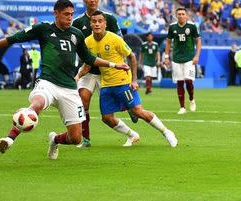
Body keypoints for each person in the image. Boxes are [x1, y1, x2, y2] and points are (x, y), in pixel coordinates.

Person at [0, 0, 129, 160]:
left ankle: (54, 140)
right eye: (66, 14)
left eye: (71, 14)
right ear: (56, 13)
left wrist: (114, 65)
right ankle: (9, 138)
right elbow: (11, 39)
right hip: (48, 82)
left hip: (70, 88)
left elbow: (89, 58)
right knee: (37, 104)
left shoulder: (76, 34)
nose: (70, 18)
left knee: (76, 138)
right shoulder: (43, 29)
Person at [75, 10, 177, 147]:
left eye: (100, 21)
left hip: (123, 82)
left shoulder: (115, 39)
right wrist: (77, 76)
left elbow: (132, 56)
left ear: (105, 24)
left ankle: (167, 132)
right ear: (90, 24)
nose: (97, 24)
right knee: (106, 118)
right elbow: (88, 65)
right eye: (94, 21)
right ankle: (132, 135)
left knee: (138, 111)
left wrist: (134, 80)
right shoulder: (87, 42)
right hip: (106, 84)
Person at [72, 0, 137, 148]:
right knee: (83, 100)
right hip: (88, 69)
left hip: (108, 72)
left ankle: (128, 110)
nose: (92, 0)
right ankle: (85, 139)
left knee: (110, 112)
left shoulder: (110, 19)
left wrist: (125, 71)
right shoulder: (78, 23)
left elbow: (121, 45)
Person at [164, 7, 201, 115]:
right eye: (179, 14)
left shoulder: (192, 26)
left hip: (189, 58)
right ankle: (182, 107)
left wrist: (197, 56)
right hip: (176, 58)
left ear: (186, 15)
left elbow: (198, 41)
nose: (181, 16)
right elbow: (168, 42)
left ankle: (192, 99)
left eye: (182, 14)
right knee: (179, 82)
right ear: (176, 15)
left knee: (189, 81)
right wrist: (166, 57)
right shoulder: (172, 27)